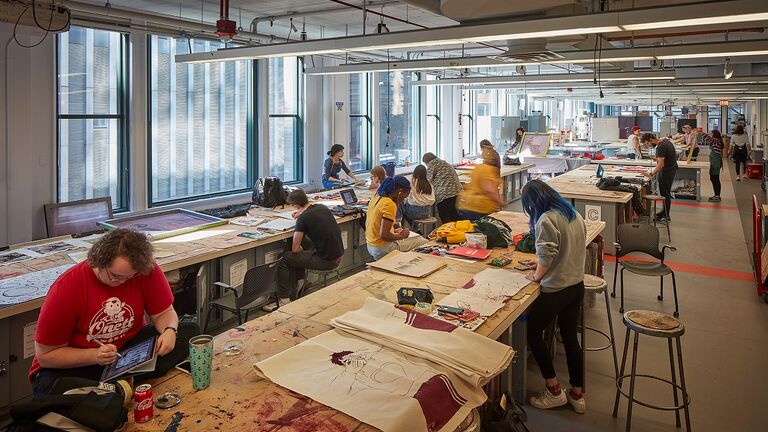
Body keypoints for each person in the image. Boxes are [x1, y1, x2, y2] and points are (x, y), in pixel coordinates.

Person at [29, 229, 190, 396]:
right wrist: (94, 356)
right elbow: (46, 356)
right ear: (98, 262)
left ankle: (109, 391)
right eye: (115, 276)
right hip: (82, 363)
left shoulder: (144, 270)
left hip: (125, 353)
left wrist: (170, 330)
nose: (122, 282)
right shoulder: (66, 288)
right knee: (50, 386)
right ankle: (115, 389)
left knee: (188, 331)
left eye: (130, 277)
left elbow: (164, 313)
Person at [521, 180, 587, 414]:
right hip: (576, 286)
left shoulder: (546, 219)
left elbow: (548, 257)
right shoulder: (573, 214)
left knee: (532, 333)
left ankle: (554, 389)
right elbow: (567, 249)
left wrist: (536, 275)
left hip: (556, 290)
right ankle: (577, 394)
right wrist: (541, 262)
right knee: (570, 339)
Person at [271, 189, 344, 309]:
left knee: (284, 259)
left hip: (326, 261)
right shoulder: (322, 207)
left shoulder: (303, 219)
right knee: (302, 246)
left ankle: (284, 299)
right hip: (337, 255)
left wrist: (301, 252)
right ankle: (301, 283)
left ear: (295, 206)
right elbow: (310, 213)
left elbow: (295, 249)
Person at [365, 176, 428, 260]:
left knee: (417, 239)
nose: (403, 200)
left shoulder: (375, 199)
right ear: (399, 192)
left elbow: (377, 226)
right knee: (424, 243)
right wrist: (401, 235)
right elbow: (384, 235)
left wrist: (393, 230)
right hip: (382, 248)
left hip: (371, 246)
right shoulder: (389, 204)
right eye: (405, 196)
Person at [457, 147, 503, 221]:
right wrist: (500, 202)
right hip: (479, 207)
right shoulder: (489, 170)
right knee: (480, 229)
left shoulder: (478, 167)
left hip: (467, 203)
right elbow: (489, 190)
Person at [640, 133, 678, 222]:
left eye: (647, 143)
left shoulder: (660, 147)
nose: (648, 145)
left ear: (650, 139)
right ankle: (664, 212)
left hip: (666, 172)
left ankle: (666, 215)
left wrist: (651, 174)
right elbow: (665, 158)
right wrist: (657, 159)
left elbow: (661, 164)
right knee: (665, 193)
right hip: (671, 170)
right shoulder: (665, 142)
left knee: (665, 194)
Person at [422, 153, 462, 223]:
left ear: (427, 161)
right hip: (456, 192)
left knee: (445, 216)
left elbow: (427, 180)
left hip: (445, 194)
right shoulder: (444, 162)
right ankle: (456, 232)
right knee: (454, 216)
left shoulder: (432, 163)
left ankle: (448, 233)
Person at [402, 165, 435, 230]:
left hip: (414, 211)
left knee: (402, 209)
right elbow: (432, 199)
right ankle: (416, 228)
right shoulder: (428, 183)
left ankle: (415, 228)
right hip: (426, 212)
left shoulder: (412, 181)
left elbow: (406, 196)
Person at [704, 130, 725, 202]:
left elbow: (708, 139)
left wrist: (701, 132)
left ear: (714, 134)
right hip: (715, 161)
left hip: (716, 162)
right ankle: (716, 195)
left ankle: (717, 196)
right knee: (713, 178)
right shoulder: (717, 140)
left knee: (715, 178)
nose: (710, 134)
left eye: (711, 133)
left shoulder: (716, 140)